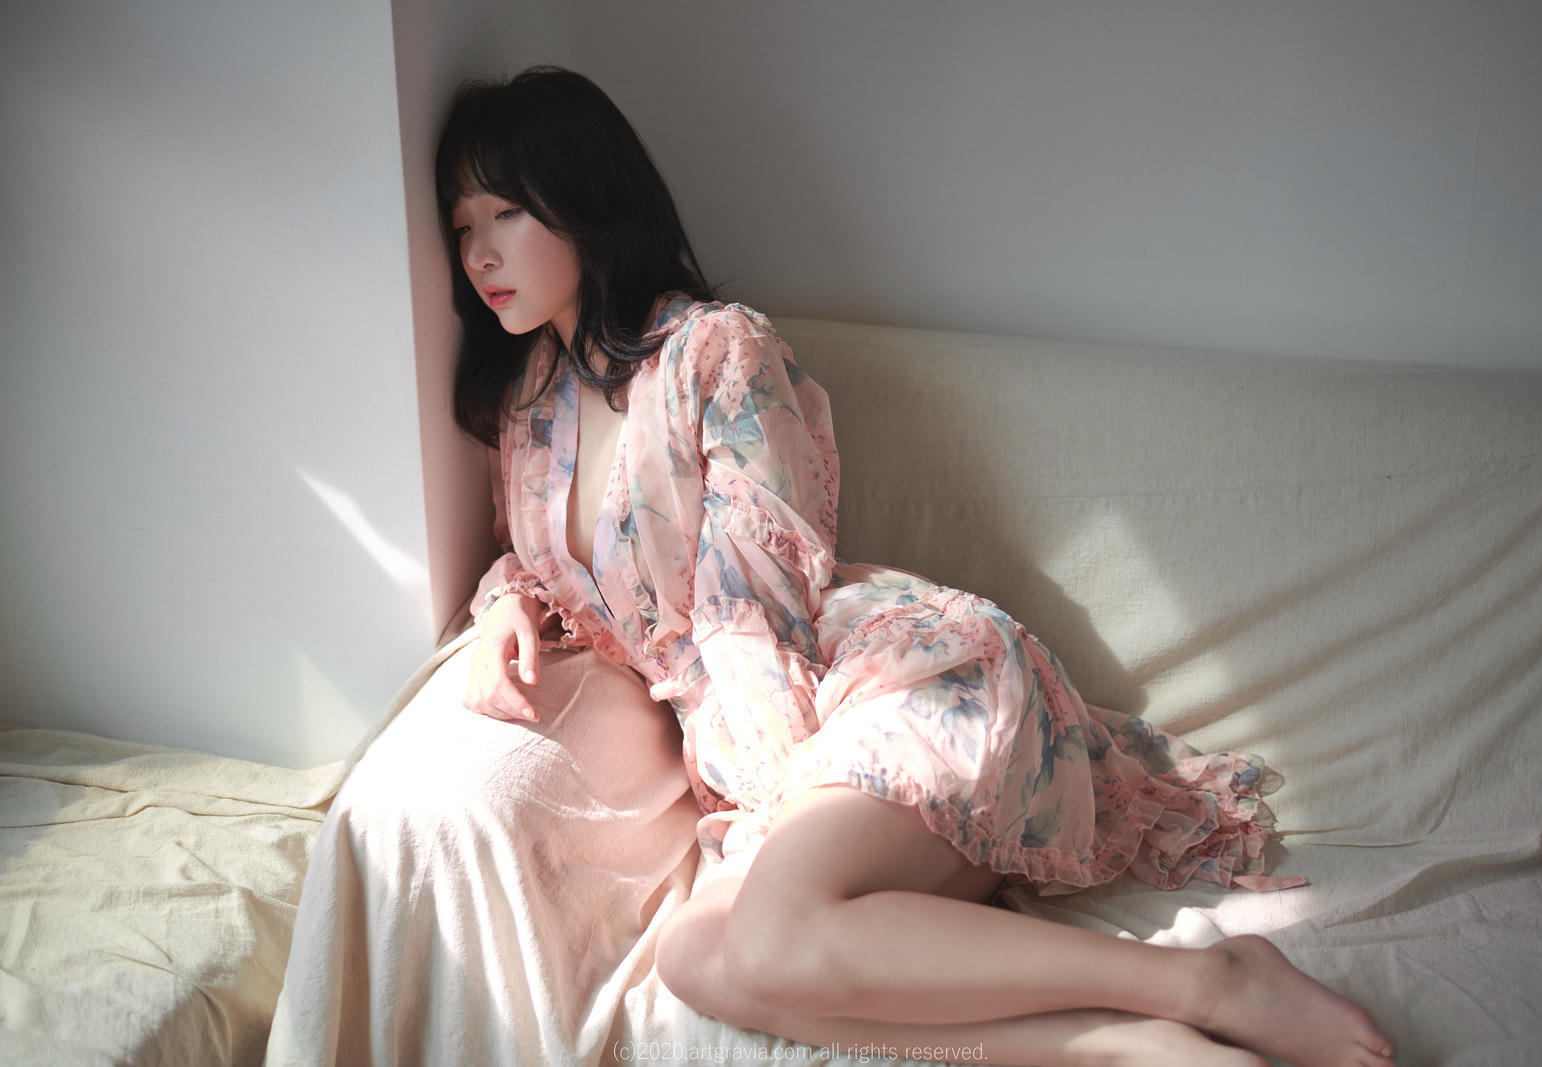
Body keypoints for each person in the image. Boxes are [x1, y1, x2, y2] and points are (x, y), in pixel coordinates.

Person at [281, 64, 1399, 1067]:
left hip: (897, 678)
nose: (477, 251)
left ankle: (1210, 982)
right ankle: (1115, 1044)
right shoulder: (529, 407)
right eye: (460, 223)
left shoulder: (716, 349)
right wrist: (497, 612)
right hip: (789, 749)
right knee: (698, 960)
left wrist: (767, 820)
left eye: (506, 211)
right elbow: (539, 567)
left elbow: (756, 602)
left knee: (765, 934)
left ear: (584, 199)